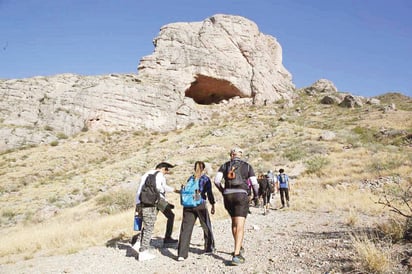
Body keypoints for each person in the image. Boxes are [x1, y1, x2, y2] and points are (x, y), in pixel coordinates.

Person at [214, 147, 259, 266]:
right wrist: (256, 196)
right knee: (240, 225)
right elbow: (254, 183)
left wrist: (223, 191)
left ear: (231, 155)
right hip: (241, 195)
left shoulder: (224, 165)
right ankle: (236, 254)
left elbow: (217, 181)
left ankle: (238, 246)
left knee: (234, 222)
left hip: (228, 196)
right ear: (240, 155)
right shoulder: (247, 166)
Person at [134, 162, 179, 261]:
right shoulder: (158, 174)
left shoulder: (147, 173)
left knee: (148, 223)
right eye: (166, 169)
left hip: (143, 201)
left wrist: (174, 190)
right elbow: (158, 188)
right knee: (150, 225)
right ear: (162, 168)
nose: (167, 172)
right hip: (154, 202)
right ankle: (143, 250)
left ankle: (138, 244)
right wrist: (172, 193)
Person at [177, 161, 216, 261]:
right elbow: (209, 193)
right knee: (206, 225)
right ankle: (208, 248)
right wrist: (213, 204)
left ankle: (182, 254)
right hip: (199, 204)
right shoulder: (205, 178)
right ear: (203, 169)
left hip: (188, 205)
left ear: (195, 168)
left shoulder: (190, 178)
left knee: (185, 229)